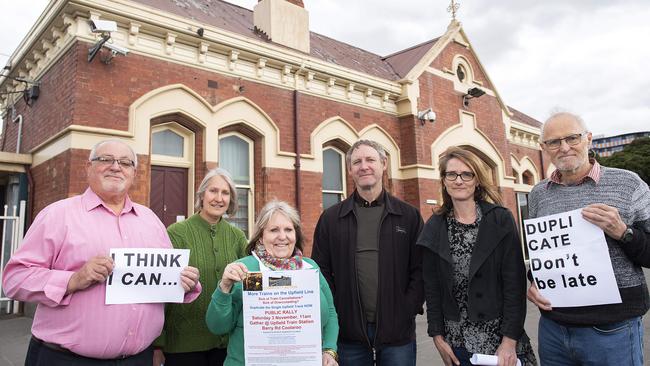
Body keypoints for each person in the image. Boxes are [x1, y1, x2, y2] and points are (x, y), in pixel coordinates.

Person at [2, 139, 201, 366]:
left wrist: (184, 282)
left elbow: (165, 279)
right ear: (88, 166)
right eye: (106, 159)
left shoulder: (151, 221)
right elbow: (14, 279)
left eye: (125, 162)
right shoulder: (58, 215)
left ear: (134, 173)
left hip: (138, 359)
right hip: (66, 360)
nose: (116, 167)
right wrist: (73, 279)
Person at [526, 112, 649, 366]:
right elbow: (546, 251)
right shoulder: (538, 194)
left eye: (572, 138)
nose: (564, 147)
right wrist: (535, 281)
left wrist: (623, 232)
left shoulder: (627, 183)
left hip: (613, 330)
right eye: (553, 142)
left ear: (589, 139)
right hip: (553, 328)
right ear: (544, 148)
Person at [416, 147, 536, 366]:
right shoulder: (434, 227)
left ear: (477, 180)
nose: (459, 180)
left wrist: (509, 341)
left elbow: (515, 286)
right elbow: (432, 288)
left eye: (467, 174)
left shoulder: (500, 220)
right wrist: (437, 336)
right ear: (444, 180)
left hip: (500, 340)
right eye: (451, 174)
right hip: (458, 343)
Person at [312, 139, 424, 366]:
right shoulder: (331, 219)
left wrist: (406, 309)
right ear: (350, 169)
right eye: (357, 162)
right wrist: (337, 311)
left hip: (397, 335)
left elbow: (421, 270)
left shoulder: (408, 216)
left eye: (370, 160)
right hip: (348, 335)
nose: (364, 166)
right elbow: (320, 271)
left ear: (384, 164)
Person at [206, 200, 339, 366]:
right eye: (274, 230)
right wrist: (224, 287)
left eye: (288, 230)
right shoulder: (245, 270)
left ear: (295, 235)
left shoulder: (310, 268)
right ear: (261, 237)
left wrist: (329, 350)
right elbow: (217, 326)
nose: (282, 236)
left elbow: (331, 314)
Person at [153, 168, 248, 366]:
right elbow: (161, 292)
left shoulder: (237, 237)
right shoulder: (176, 233)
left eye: (225, 193)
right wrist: (158, 344)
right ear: (202, 195)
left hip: (226, 344)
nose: (219, 198)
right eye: (213, 191)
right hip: (183, 346)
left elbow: (247, 288)